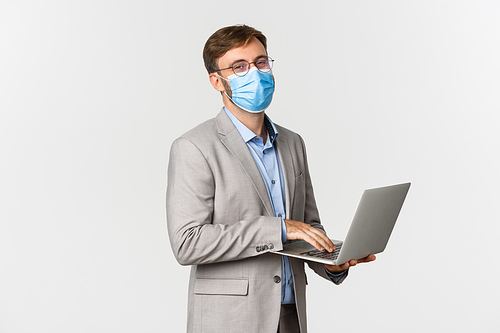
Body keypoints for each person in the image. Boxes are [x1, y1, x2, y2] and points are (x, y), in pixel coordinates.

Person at [166, 24, 376, 333]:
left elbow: (307, 226)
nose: (255, 73)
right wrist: (278, 228)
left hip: (290, 314)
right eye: (239, 67)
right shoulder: (194, 147)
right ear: (216, 81)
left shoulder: (293, 143)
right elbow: (188, 243)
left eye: (260, 62)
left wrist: (329, 262)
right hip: (231, 318)